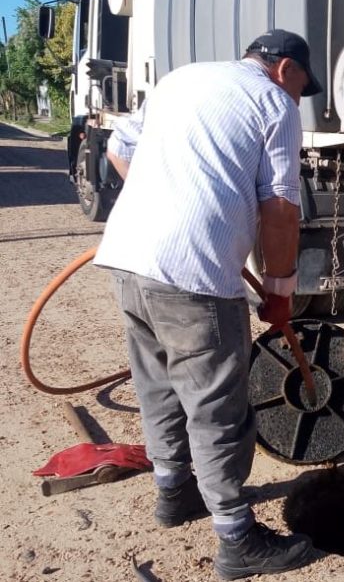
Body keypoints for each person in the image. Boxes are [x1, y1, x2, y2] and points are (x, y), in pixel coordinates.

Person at [95, 29, 322, 579]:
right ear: (284, 68)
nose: (300, 98)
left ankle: (174, 493)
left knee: (157, 383)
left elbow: (117, 148)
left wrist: (166, 200)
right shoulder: (273, 102)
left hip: (127, 258)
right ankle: (236, 536)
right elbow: (281, 210)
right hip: (194, 275)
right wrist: (280, 292)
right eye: (302, 86)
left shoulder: (182, 79)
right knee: (216, 405)